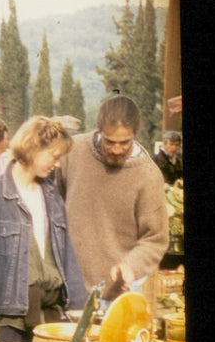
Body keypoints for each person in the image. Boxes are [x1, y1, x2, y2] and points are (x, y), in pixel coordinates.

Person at [0, 116, 87, 342]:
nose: (58, 164)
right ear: (34, 148)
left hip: (51, 317)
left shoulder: (52, 196)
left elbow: (67, 257)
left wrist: (80, 315)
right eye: (54, 156)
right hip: (9, 322)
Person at [56, 94, 169, 301]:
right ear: (99, 130)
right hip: (67, 289)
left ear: (135, 133)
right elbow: (53, 205)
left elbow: (155, 239)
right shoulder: (72, 152)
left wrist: (131, 265)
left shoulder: (149, 177)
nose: (117, 150)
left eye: (125, 142)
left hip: (117, 296)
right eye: (110, 142)